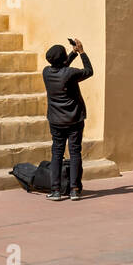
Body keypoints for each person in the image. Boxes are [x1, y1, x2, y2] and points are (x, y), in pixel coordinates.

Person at [42, 37, 93, 201]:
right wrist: (82, 52)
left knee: (57, 153)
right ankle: (74, 189)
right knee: (75, 152)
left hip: (56, 121)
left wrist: (72, 53)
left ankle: (55, 190)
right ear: (63, 59)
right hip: (74, 120)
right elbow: (89, 71)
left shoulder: (46, 72)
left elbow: (62, 67)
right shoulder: (70, 74)